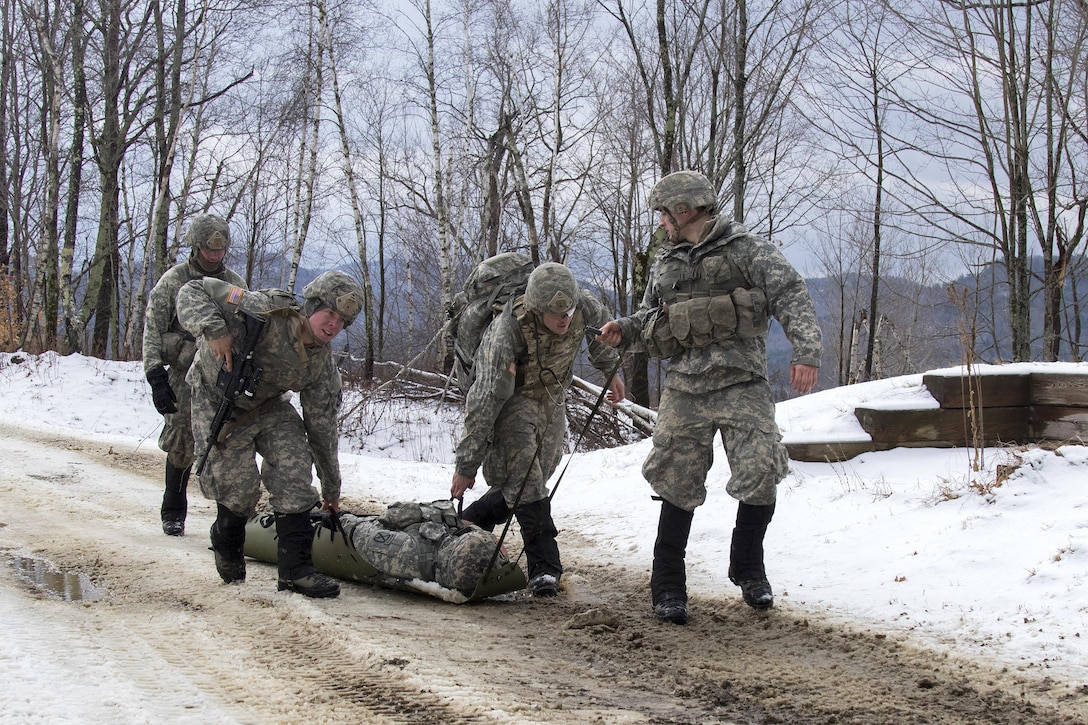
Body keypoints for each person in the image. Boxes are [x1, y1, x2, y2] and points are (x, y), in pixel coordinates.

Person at [598, 170, 821, 624]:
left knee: (761, 469)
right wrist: (624, 330)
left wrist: (807, 350)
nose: (661, 222)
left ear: (684, 210)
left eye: (664, 213)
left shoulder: (746, 249)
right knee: (676, 480)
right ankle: (667, 584)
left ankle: (747, 567)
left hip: (742, 382)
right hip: (685, 387)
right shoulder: (665, 263)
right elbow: (650, 318)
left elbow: (790, 292)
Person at [176, 269, 364, 598]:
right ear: (313, 305)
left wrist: (332, 487)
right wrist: (215, 329)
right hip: (217, 398)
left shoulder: (321, 366)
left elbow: (322, 428)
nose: (333, 325)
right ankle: (226, 540)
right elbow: (195, 290)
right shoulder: (262, 310)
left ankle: (296, 571)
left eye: (342, 321)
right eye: (330, 313)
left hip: (268, 406)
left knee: (294, 471)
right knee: (241, 491)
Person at [450, 262, 626, 597]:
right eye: (555, 314)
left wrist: (610, 371)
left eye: (569, 312)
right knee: (527, 480)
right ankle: (544, 567)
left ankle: (474, 518)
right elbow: (483, 402)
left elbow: (601, 332)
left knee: (541, 470)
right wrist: (466, 466)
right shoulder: (505, 335)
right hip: (510, 402)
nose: (565, 319)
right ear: (534, 308)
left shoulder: (581, 306)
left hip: (552, 396)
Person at [142, 213, 247, 537]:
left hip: (220, 375)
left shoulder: (233, 285)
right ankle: (173, 509)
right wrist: (155, 376)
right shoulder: (175, 281)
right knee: (180, 442)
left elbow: (248, 324)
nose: (214, 256)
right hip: (183, 375)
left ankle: (226, 521)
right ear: (196, 246)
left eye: (219, 250)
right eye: (208, 250)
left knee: (224, 440)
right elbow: (153, 330)